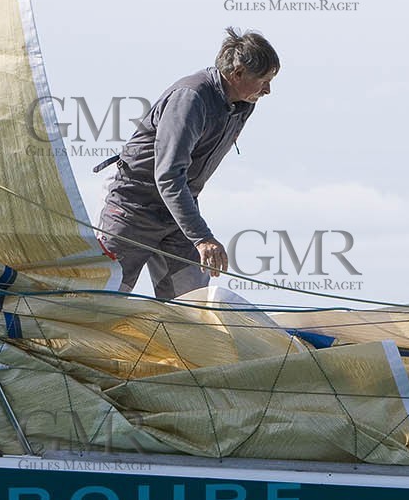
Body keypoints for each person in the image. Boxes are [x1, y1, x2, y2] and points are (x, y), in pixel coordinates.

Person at [93, 28, 278, 299]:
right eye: (264, 80)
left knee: (192, 305)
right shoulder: (191, 98)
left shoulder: (244, 104)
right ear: (237, 74)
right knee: (105, 300)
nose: (268, 90)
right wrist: (202, 237)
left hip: (178, 212)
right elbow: (168, 175)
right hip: (133, 207)